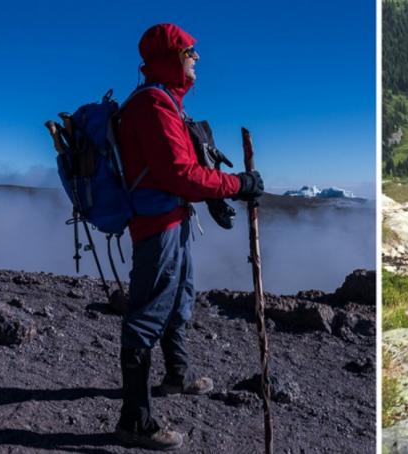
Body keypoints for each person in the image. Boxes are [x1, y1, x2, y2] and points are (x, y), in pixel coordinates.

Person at [115, 23, 264, 450]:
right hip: (157, 227)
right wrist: (238, 185)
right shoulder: (153, 107)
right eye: (190, 51)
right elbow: (180, 174)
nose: (197, 58)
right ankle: (135, 422)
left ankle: (176, 375)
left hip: (172, 222)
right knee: (146, 314)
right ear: (170, 58)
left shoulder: (165, 103)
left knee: (179, 298)